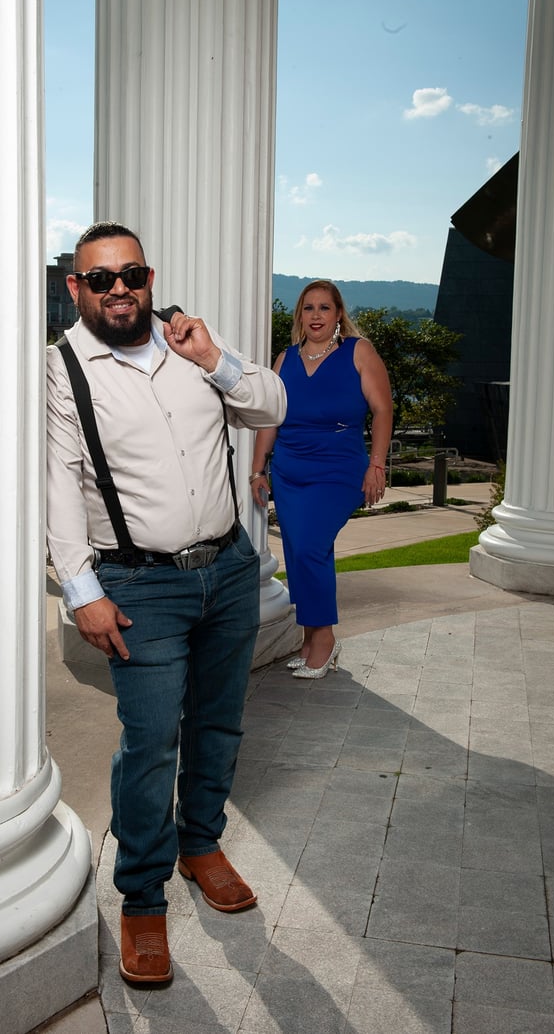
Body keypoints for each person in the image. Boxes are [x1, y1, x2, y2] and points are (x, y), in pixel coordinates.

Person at [46, 221, 286, 986]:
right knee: (150, 742)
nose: (120, 290)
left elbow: (271, 406)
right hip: (138, 584)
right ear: (76, 288)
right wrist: (82, 592)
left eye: (133, 275)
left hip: (229, 569)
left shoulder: (191, 345)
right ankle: (142, 898)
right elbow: (57, 488)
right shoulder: (63, 369)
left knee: (219, 720)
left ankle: (201, 843)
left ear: (149, 278)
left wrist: (214, 359)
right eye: (102, 278)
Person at [250, 280, 392, 679]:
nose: (316, 315)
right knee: (299, 552)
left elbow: (383, 410)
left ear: (338, 314)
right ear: (301, 315)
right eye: (308, 308)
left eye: (324, 308)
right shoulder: (285, 359)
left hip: (338, 470)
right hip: (289, 472)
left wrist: (377, 465)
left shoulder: (358, 352)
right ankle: (310, 639)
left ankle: (324, 639)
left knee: (310, 548)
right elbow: (270, 419)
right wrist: (258, 469)